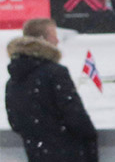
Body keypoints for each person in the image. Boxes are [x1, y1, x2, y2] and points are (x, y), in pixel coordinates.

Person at [5, 18, 99, 161]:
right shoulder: (55, 73)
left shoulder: (14, 79)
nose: (57, 41)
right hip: (68, 152)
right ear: (43, 40)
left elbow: (16, 122)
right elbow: (74, 114)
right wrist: (89, 138)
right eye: (53, 35)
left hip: (37, 153)